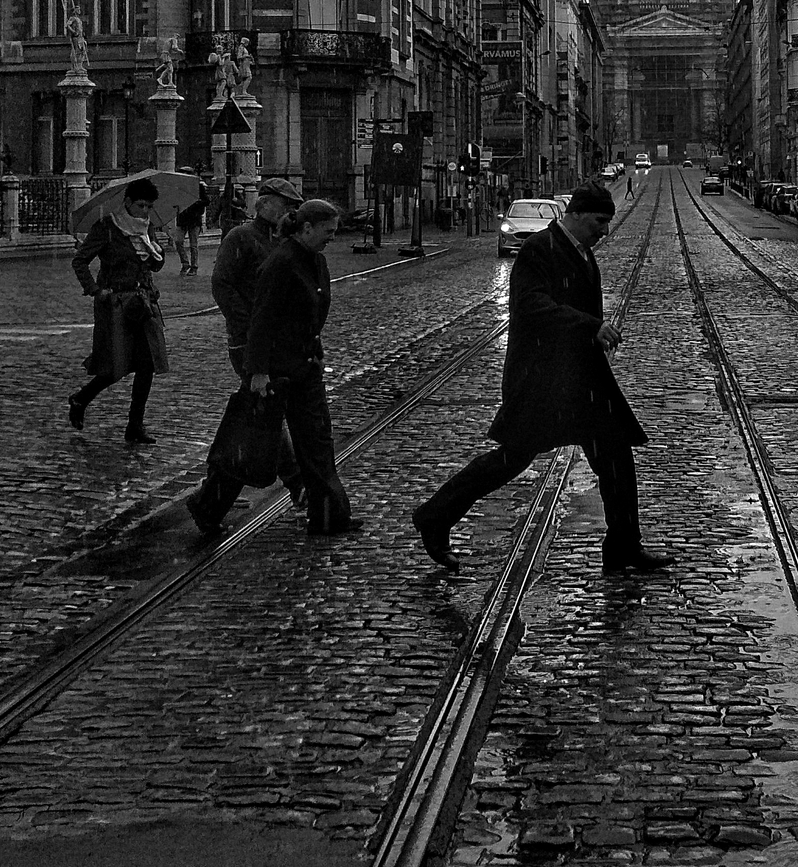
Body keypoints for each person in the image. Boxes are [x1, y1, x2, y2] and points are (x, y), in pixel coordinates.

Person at [411, 183, 669, 575]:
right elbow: (533, 307)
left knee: (616, 455)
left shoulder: (582, 251)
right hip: (542, 381)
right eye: (600, 222)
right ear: (578, 214)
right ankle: (435, 515)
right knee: (509, 460)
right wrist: (591, 327)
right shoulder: (538, 249)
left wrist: (590, 335)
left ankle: (623, 547)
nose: (604, 231)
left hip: (582, 380)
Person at [189, 198, 355, 537]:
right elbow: (262, 320)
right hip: (274, 370)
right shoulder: (279, 263)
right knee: (252, 444)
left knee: (317, 442)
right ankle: (208, 506)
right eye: (328, 232)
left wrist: (317, 350)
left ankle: (328, 517)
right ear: (306, 228)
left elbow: (309, 317)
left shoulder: (316, 261)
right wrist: (259, 373)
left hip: (303, 365)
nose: (332, 238)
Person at [191, 174, 306, 514]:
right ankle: (297, 483)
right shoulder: (241, 237)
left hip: (279, 343)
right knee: (267, 414)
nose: (288, 213)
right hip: (248, 345)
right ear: (265, 203)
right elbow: (222, 285)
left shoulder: (284, 241)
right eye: (284, 206)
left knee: (263, 417)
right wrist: (247, 327)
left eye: (293, 208)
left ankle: (211, 499)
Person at [69, 177, 169, 444]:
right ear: (127, 203)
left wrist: (157, 251)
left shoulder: (148, 230)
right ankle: (81, 399)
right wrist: (95, 289)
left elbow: (155, 266)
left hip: (143, 302)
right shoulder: (107, 227)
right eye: (140, 206)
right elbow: (80, 260)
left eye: (149, 206)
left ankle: (135, 425)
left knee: (147, 364)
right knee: (117, 365)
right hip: (115, 303)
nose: (145, 212)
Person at [175, 167, 209, 275]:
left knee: (193, 244)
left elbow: (206, 201)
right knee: (178, 241)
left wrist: (196, 203)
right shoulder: (179, 188)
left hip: (194, 219)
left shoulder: (198, 187)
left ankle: (194, 267)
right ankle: (185, 263)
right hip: (183, 218)